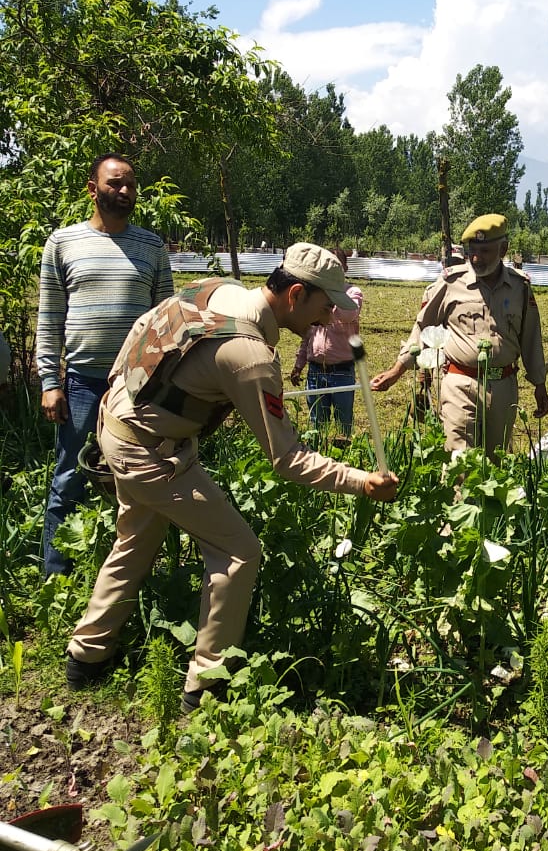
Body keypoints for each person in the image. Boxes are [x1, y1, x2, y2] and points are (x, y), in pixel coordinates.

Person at [65, 244, 399, 710]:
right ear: (295, 294)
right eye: (325, 306)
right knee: (239, 551)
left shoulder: (217, 292)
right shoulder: (251, 355)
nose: (326, 319)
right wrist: (362, 482)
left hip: (121, 426)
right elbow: (286, 459)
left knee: (135, 540)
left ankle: (86, 656)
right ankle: (208, 681)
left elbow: (142, 329)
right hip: (152, 453)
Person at [36, 154, 174, 578]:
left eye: (131, 184)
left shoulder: (152, 246)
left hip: (136, 388)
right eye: (116, 183)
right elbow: (49, 317)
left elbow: (167, 320)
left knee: (139, 482)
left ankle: (129, 577)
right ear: (93, 188)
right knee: (69, 479)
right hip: (81, 385)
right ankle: (55, 580)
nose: (126, 192)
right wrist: (48, 381)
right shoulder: (63, 243)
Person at [371, 214, 548, 457]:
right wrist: (396, 371)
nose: (476, 258)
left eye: (485, 251)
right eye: (472, 250)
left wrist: (540, 384)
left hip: (503, 386)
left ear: (503, 249)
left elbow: (531, 338)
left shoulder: (520, 288)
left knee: (495, 463)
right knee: (460, 461)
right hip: (460, 383)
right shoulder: (450, 283)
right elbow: (423, 328)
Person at [290, 247, 362, 437]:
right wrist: (299, 365)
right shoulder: (314, 296)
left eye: (337, 265)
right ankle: (319, 459)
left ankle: (345, 460)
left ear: (345, 268)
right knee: (316, 425)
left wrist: (325, 299)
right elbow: (308, 334)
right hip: (315, 371)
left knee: (343, 424)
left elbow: (348, 313)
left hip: (342, 371)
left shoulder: (353, 292)